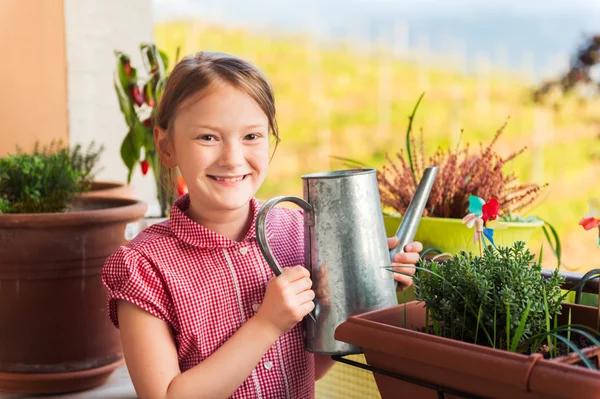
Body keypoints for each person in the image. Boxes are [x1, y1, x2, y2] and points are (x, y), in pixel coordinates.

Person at [101, 51, 422, 399]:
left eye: (251, 136)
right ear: (166, 147)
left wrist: (363, 289)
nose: (232, 158)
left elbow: (305, 369)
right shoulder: (143, 267)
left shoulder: (296, 232)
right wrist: (267, 324)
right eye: (208, 137)